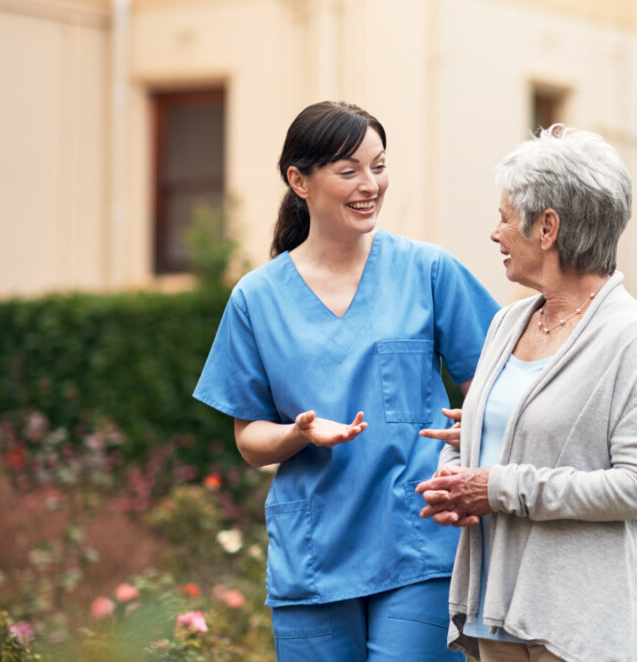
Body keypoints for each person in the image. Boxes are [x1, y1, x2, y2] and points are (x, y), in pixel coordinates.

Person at [192, 101, 499, 661]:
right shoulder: (256, 299)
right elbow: (249, 439)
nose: (370, 185)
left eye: (379, 166)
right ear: (298, 181)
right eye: (348, 170)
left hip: (418, 543)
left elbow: (497, 383)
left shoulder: (428, 271)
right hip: (313, 558)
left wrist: (473, 431)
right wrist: (298, 433)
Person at [416, 125, 637, 662]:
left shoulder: (629, 334)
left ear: (548, 227)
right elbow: (490, 431)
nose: (496, 233)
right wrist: (454, 474)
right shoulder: (506, 323)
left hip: (573, 622)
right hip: (492, 612)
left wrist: (497, 486)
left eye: (506, 218)